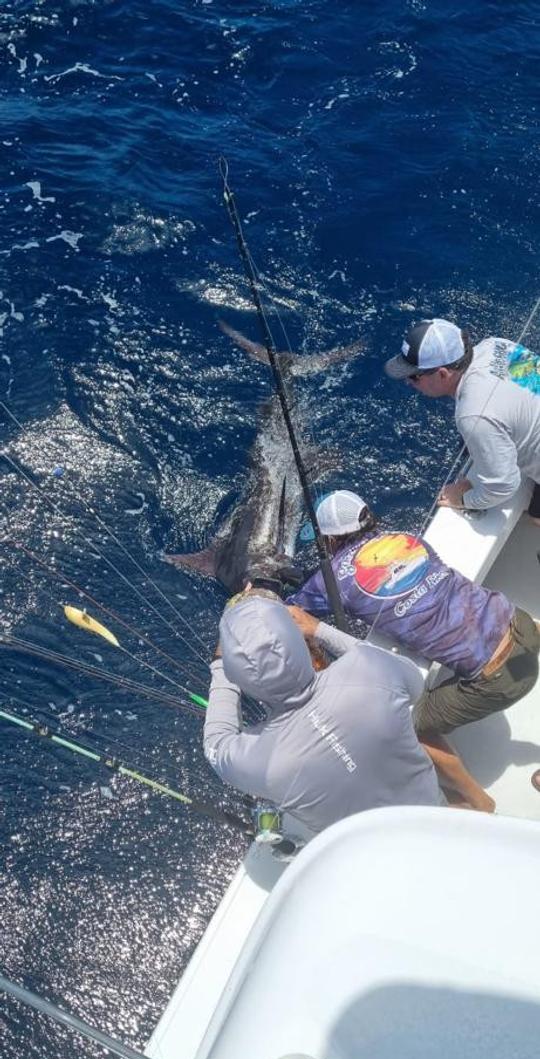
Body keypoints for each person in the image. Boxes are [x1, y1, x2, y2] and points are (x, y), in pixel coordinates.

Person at [288, 490, 540, 808]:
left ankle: (477, 801)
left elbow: (288, 615)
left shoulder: (330, 581)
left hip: (500, 680)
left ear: (329, 540)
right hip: (521, 626)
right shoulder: (407, 539)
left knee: (402, 727)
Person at [203, 588, 441, 842]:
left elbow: (214, 743)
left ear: (236, 675)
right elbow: (413, 682)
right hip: (433, 817)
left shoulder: (258, 764)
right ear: (295, 633)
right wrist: (319, 629)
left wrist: (220, 664)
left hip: (372, 857)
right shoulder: (373, 671)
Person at [383, 317, 540, 521]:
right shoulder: (496, 344)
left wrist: (464, 498)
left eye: (414, 377)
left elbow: (503, 486)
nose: (408, 382)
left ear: (442, 374)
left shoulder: (473, 414)